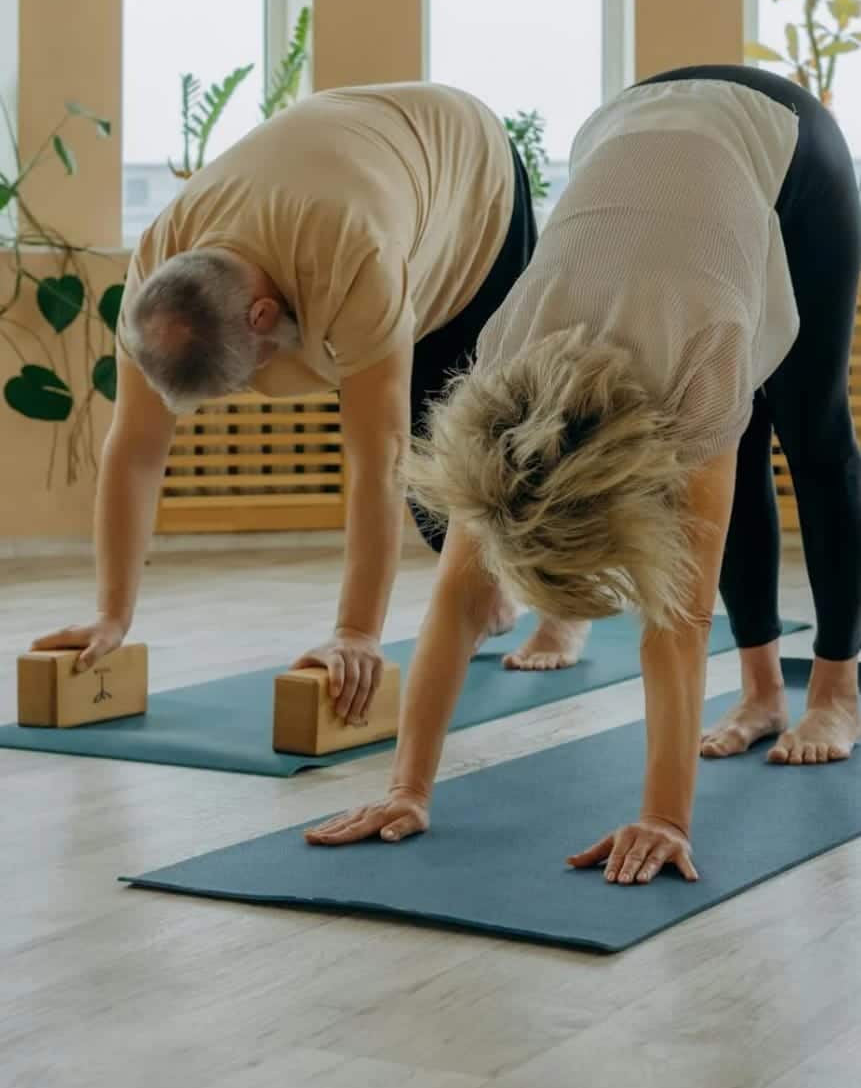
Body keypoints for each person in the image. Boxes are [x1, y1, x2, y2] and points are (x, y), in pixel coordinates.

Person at [306, 64, 861, 885]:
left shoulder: (699, 353)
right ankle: (759, 694)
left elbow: (676, 617)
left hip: (780, 140)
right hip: (632, 126)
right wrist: (406, 788)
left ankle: (835, 691)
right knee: (730, 442)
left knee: (808, 430)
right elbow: (457, 602)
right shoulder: (499, 376)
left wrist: (665, 817)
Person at [32, 81, 564, 720]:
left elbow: (380, 459)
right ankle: (487, 591)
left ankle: (564, 614)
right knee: (440, 516)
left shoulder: (352, 255)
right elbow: (136, 448)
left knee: (487, 449)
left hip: (469, 179)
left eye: (245, 378)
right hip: (362, 170)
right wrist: (111, 616)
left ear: (260, 316)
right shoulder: (157, 281)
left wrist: (356, 633)